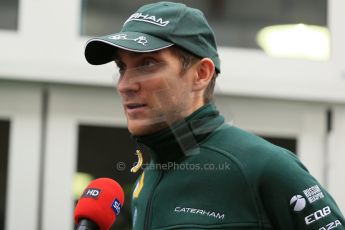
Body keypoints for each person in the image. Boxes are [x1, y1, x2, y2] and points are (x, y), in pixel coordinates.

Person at [84, 1, 345, 229]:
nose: (125, 84)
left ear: (201, 74)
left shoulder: (264, 167)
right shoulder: (146, 180)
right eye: (121, 67)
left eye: (147, 64)